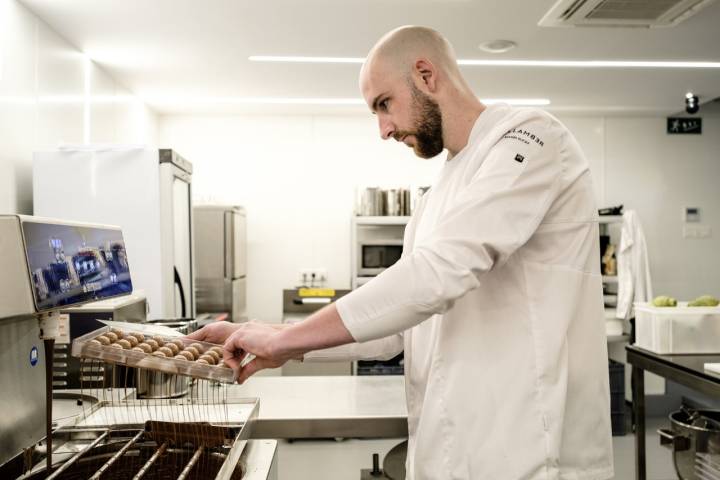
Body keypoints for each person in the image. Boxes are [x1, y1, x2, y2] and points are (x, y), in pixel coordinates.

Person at [189, 25, 613, 480]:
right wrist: (270, 338)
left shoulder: (531, 137)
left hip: (529, 451)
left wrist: (284, 340)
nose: (384, 129)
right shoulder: (435, 198)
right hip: (446, 452)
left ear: (426, 75)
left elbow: (439, 272)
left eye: (384, 104)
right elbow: (396, 331)